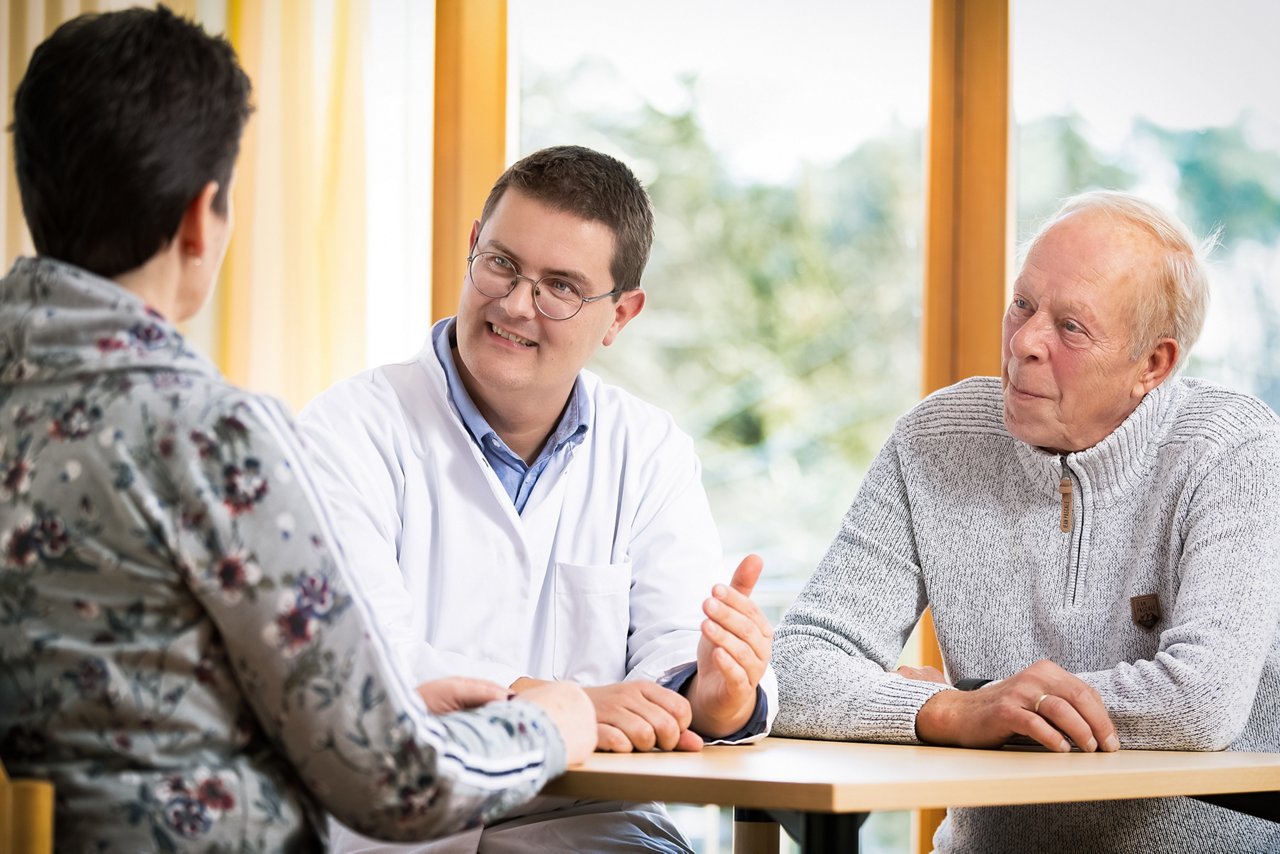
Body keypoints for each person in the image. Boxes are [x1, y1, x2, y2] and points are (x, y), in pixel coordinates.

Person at [0, 8, 596, 852]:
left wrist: (356, 709)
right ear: (203, 218)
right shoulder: (208, 437)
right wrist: (547, 727)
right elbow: (398, 784)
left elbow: (119, 691)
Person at [299, 145, 777, 852]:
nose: (516, 304)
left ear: (620, 315)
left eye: (559, 287)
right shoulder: (346, 431)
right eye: (502, 264)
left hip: (602, 828)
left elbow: (675, 650)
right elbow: (365, 657)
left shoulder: (647, 451)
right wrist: (564, 705)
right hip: (411, 829)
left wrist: (716, 692)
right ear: (472, 248)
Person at [773, 190, 1280, 852]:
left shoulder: (1231, 448)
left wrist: (996, 707)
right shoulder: (936, 438)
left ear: (1152, 365)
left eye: (1072, 327)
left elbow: (1200, 702)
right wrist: (952, 710)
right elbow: (793, 666)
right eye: (1022, 304)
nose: (1025, 343)